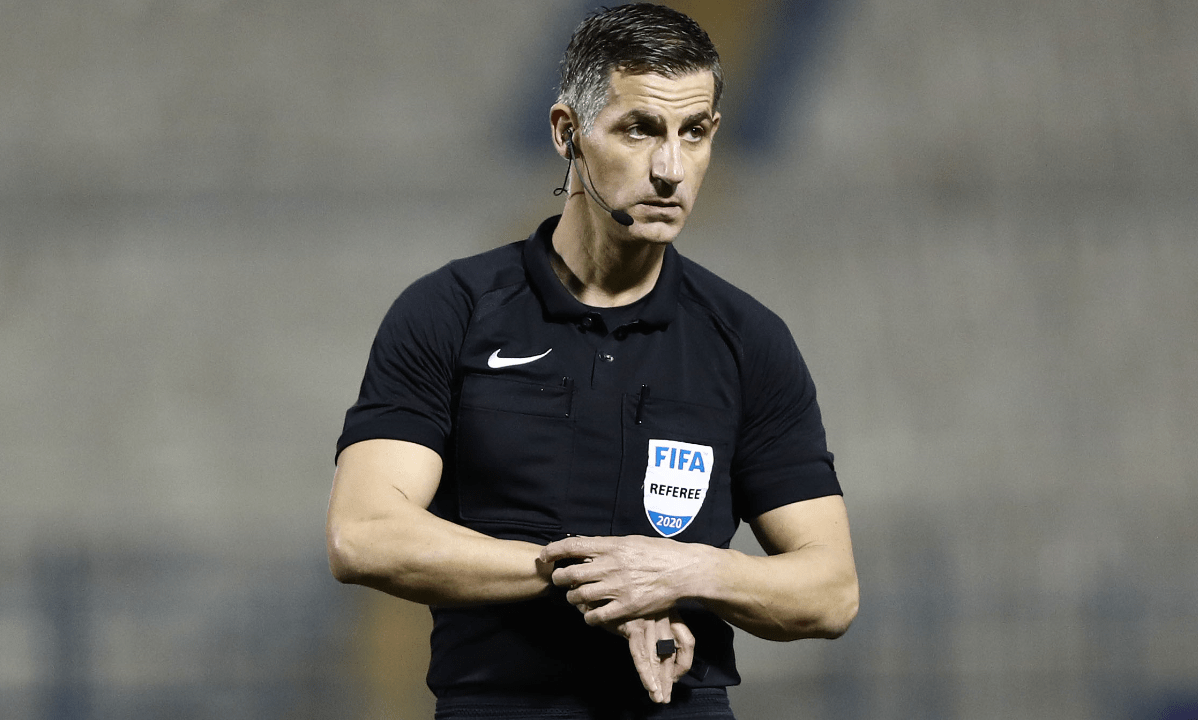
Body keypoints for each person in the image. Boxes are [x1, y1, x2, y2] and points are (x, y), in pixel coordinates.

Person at [326, 4, 858, 719]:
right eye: (639, 129)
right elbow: (363, 533)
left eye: (693, 133)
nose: (670, 169)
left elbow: (831, 590)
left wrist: (683, 571)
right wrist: (602, 579)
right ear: (566, 132)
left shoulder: (747, 340)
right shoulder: (451, 311)